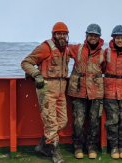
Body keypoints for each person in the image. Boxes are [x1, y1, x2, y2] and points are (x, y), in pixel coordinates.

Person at [21, 22, 71, 163]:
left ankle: (43, 145)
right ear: (53, 34)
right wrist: (36, 74)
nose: (62, 36)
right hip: (47, 89)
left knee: (62, 121)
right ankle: (55, 152)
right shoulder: (45, 47)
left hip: (61, 89)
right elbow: (26, 62)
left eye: (64, 34)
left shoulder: (65, 49)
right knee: (50, 123)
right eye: (59, 33)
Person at [67, 23, 104, 159]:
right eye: (91, 35)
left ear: (99, 37)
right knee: (79, 121)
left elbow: (107, 69)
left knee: (94, 121)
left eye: (95, 35)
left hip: (96, 92)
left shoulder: (104, 53)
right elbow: (60, 50)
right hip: (79, 91)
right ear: (87, 36)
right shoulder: (77, 49)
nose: (93, 38)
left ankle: (91, 146)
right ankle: (78, 147)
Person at [103, 25, 122, 159]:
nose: (120, 40)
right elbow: (101, 68)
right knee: (113, 120)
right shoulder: (106, 53)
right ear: (113, 38)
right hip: (110, 92)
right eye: (117, 38)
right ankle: (114, 147)